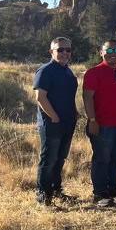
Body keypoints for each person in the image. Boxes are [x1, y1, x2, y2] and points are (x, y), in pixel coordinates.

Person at [83, 39, 116, 207]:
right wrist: (92, 120)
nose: (113, 54)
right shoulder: (93, 73)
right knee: (101, 158)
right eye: (109, 50)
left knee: (115, 158)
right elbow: (88, 97)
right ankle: (99, 193)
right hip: (101, 124)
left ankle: (112, 188)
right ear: (101, 52)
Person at [33, 36, 78, 206]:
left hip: (68, 122)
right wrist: (54, 116)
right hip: (51, 124)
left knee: (60, 158)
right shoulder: (45, 70)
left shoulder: (68, 71)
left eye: (68, 50)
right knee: (49, 159)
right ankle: (43, 194)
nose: (65, 53)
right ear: (51, 51)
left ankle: (56, 190)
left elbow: (68, 95)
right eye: (60, 50)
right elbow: (40, 97)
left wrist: (74, 111)